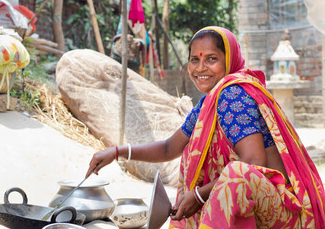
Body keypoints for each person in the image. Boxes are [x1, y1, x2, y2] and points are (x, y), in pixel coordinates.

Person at [86, 26, 325, 228]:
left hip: (283, 209)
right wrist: (117, 152)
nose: (200, 68)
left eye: (211, 59)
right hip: (260, 201)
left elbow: (252, 163)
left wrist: (200, 196)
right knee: (196, 176)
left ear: (228, 60)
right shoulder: (210, 101)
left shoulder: (233, 94)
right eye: (194, 59)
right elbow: (170, 148)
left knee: (233, 175)